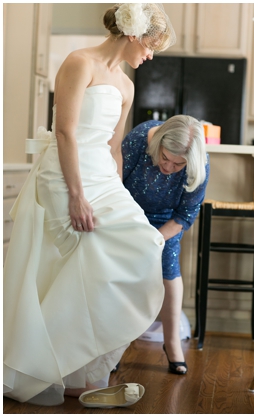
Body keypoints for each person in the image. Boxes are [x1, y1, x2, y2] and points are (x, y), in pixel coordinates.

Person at [3, 3, 175, 407]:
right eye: (150, 46)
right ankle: (56, 370)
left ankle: (76, 365)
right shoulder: (79, 62)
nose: (149, 56)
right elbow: (65, 133)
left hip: (102, 177)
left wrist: (116, 192)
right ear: (133, 34)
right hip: (65, 175)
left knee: (144, 245)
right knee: (72, 264)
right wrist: (78, 194)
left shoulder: (128, 87)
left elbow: (113, 146)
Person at [122, 115, 209, 375]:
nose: (168, 167)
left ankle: (172, 344)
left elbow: (184, 215)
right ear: (158, 143)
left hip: (166, 223)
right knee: (118, 271)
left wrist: (155, 239)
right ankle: (113, 346)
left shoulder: (199, 166)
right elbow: (114, 181)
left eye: (178, 163)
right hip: (126, 214)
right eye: (165, 158)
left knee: (169, 272)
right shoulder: (139, 138)